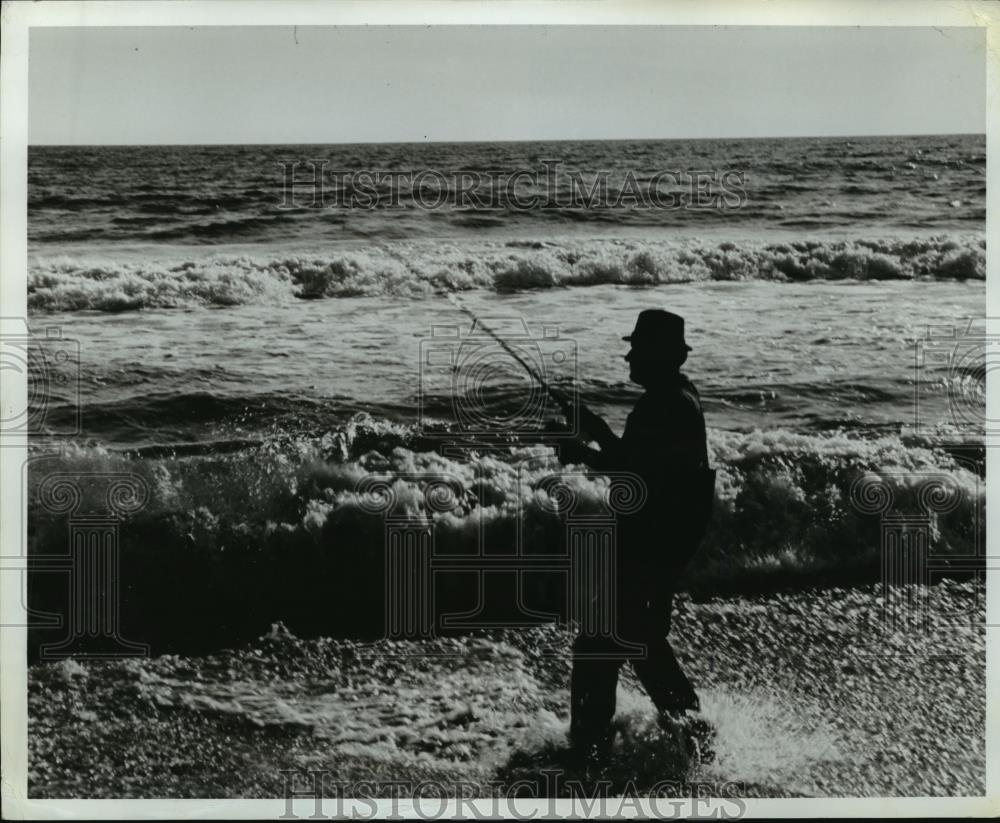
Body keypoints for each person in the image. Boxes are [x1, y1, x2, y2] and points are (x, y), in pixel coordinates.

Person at [554, 309, 715, 762]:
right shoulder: (679, 396)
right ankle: (691, 735)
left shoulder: (662, 404)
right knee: (635, 638)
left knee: (605, 640)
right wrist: (598, 431)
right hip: (666, 537)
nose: (629, 356)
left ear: (658, 355)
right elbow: (643, 462)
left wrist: (580, 450)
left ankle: (590, 744)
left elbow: (634, 471)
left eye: (637, 348)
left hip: (654, 540)